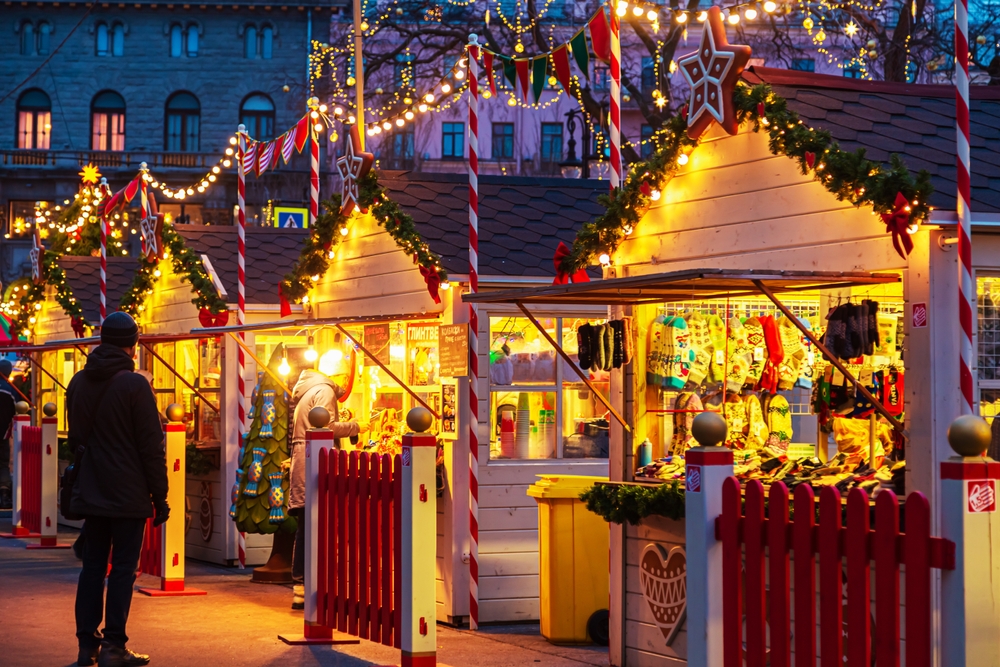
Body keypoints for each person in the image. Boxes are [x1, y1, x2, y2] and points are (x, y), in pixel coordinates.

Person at [69, 312, 168, 667]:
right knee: (123, 569)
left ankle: (86, 646)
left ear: (101, 339)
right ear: (133, 343)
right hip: (128, 492)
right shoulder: (135, 385)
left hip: (92, 489)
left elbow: (76, 438)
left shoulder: (79, 382)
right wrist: (160, 496)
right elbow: (151, 446)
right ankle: (114, 645)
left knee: (92, 567)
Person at [288, 362, 367, 610]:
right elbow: (326, 427)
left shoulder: (308, 389)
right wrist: (357, 427)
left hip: (305, 459)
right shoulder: (325, 390)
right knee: (313, 524)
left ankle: (302, 587)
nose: (345, 383)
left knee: (307, 523)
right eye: (345, 377)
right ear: (338, 374)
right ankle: (308, 585)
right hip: (315, 461)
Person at [0, 359, 17, 510]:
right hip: (3, 434)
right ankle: (4, 497)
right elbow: (16, 412)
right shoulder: (10, 391)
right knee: (3, 465)